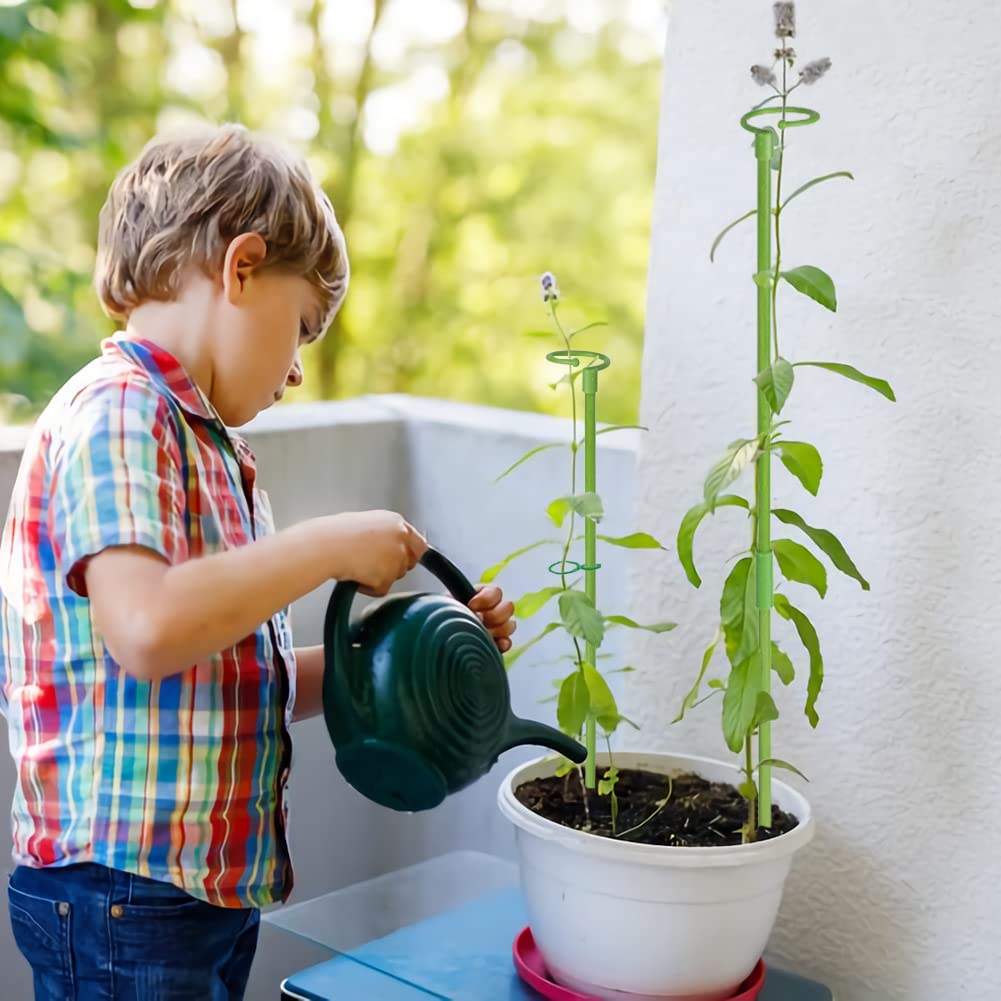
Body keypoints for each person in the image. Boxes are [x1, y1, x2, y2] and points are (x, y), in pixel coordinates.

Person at [0, 123, 516, 1000]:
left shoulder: (205, 445)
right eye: (304, 327)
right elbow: (149, 628)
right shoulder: (120, 412)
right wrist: (321, 547)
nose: (297, 375)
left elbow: (242, 674)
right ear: (241, 267)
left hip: (189, 892)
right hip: (124, 892)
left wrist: (423, 659)